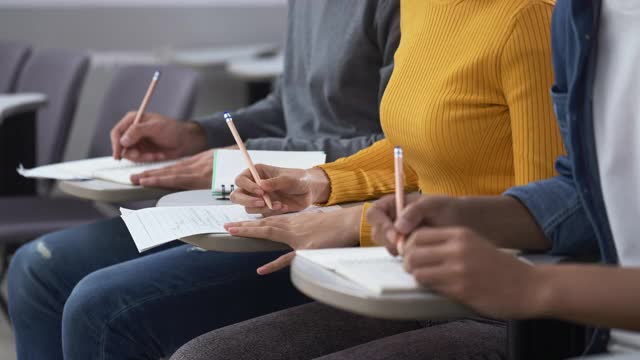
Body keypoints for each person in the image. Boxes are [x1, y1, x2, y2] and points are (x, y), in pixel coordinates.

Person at [175, 0, 640, 358]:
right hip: (429, 276)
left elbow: (560, 221)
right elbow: (426, 147)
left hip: (509, 308)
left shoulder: (534, 18)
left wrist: (354, 223)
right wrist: (321, 182)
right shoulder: (425, 7)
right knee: (202, 353)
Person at [7, 1, 400, 359]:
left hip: (332, 214)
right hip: (263, 198)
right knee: (35, 266)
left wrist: (256, 153)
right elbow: (285, 106)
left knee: (101, 307)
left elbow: (401, 147)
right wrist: (196, 133)